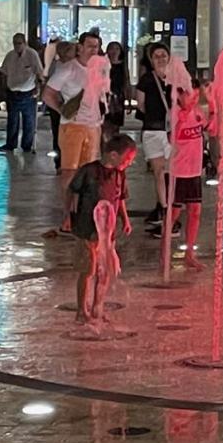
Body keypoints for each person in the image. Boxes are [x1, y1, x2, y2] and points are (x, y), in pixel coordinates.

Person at [68, 134, 136, 323]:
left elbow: (120, 199)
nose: (130, 163)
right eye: (128, 159)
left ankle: (98, 306)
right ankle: (82, 309)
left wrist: (126, 220)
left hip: (108, 230)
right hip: (86, 228)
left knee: (104, 270)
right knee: (87, 269)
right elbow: (73, 192)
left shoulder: (119, 175)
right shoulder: (88, 171)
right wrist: (68, 217)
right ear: (113, 155)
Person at [43, 31, 106, 232]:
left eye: (96, 46)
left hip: (93, 126)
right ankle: (68, 215)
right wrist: (63, 110)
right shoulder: (68, 69)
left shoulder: (100, 69)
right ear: (79, 47)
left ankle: (83, 213)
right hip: (73, 126)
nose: (93, 50)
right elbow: (48, 94)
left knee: (89, 172)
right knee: (70, 172)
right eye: (89, 46)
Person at [168, 81, 209, 268]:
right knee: (174, 214)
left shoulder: (199, 112)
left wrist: (214, 107)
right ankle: (165, 251)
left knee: (195, 212)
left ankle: (190, 252)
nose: (192, 100)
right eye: (189, 95)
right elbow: (171, 138)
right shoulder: (175, 113)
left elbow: (210, 128)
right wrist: (183, 118)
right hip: (178, 171)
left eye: (195, 96)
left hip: (194, 170)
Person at [134, 43, 173, 232]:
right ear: (151, 59)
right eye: (156, 56)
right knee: (159, 172)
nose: (160, 58)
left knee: (170, 172)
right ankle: (164, 208)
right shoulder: (146, 80)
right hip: (153, 130)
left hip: (171, 131)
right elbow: (140, 103)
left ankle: (169, 208)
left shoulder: (176, 77)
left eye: (163, 55)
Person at [0, 32, 44, 154]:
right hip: (13, 93)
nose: (16, 46)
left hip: (28, 93)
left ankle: (27, 146)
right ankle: (10, 144)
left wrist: (38, 88)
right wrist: (4, 89)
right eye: (14, 43)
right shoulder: (10, 56)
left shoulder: (31, 55)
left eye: (19, 43)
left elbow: (39, 72)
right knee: (12, 120)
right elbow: (4, 72)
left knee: (29, 121)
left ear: (24, 43)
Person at [45, 42, 76, 171]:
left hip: (72, 105)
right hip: (58, 104)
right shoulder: (56, 66)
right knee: (57, 133)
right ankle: (59, 162)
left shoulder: (76, 66)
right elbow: (51, 87)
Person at [103, 41, 130, 140]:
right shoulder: (104, 64)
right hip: (106, 96)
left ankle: (114, 144)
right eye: (112, 48)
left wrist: (129, 98)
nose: (114, 51)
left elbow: (126, 81)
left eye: (117, 49)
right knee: (106, 123)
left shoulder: (122, 65)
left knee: (116, 124)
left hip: (118, 97)